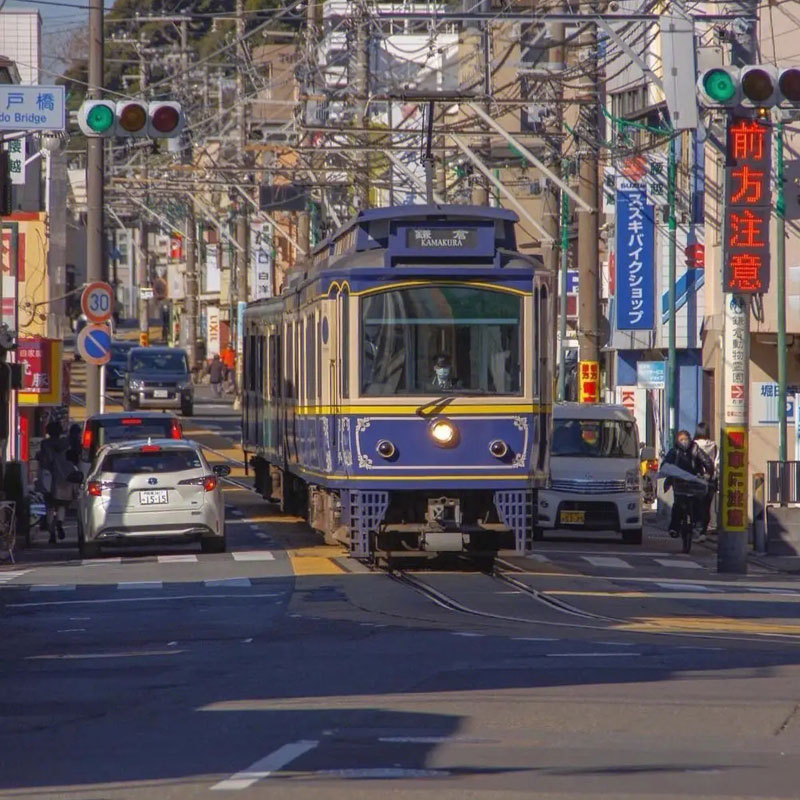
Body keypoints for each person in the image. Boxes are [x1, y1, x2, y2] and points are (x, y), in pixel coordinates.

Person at [663, 429, 715, 541]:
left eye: (685, 439)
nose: (683, 442)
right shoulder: (674, 451)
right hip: (679, 482)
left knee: (698, 502)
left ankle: (698, 525)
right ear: (677, 441)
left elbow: (707, 462)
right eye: (681, 440)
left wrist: (707, 474)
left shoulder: (696, 449)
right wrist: (668, 476)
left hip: (694, 482)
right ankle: (674, 528)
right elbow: (666, 463)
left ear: (690, 439)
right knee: (677, 505)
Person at [38, 421, 75, 544]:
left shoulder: (45, 444)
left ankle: (52, 533)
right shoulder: (66, 443)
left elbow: (43, 460)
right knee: (62, 505)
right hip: (64, 477)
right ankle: (59, 522)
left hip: (49, 476)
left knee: (49, 507)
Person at [693, 422, 718, 538]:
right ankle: (703, 530)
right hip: (710, 479)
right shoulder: (714, 446)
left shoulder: (693, 445)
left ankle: (695, 529)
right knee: (707, 506)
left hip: (695, 478)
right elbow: (717, 463)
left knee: (695, 505)